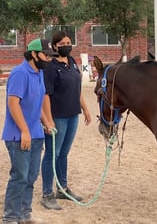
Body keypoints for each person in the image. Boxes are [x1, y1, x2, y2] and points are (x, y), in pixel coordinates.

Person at [1, 39, 57, 224]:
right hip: (18, 136)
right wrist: (24, 130)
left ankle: (24, 215)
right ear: (33, 54)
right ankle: (10, 217)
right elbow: (13, 103)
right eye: (46, 55)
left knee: (31, 176)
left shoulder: (39, 72)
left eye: (51, 56)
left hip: (36, 134)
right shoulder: (19, 73)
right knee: (20, 176)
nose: (49, 59)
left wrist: (47, 122)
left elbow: (38, 102)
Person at [40, 31, 92, 210]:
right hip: (57, 117)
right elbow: (45, 95)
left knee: (63, 153)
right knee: (51, 154)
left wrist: (85, 109)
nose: (66, 45)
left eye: (69, 42)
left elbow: (76, 90)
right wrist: (48, 120)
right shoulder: (50, 67)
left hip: (72, 115)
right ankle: (47, 194)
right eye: (62, 43)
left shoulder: (72, 62)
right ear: (55, 46)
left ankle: (62, 188)